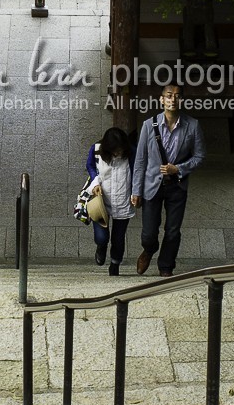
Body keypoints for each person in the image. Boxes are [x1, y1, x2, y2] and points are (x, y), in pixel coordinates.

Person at [130, 83, 205, 277]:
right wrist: (136, 190)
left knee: (173, 230)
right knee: (148, 234)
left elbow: (199, 157)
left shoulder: (193, 125)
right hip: (151, 185)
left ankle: (166, 266)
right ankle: (149, 250)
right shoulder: (148, 125)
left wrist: (178, 168)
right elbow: (140, 160)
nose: (173, 99)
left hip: (177, 186)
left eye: (177, 96)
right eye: (169, 96)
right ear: (162, 99)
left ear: (182, 100)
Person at [81, 127, 135, 275]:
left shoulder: (131, 152)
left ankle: (115, 264)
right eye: (115, 150)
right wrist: (95, 183)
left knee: (118, 238)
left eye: (120, 150)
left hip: (123, 200)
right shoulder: (97, 149)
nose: (118, 153)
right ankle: (101, 246)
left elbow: (138, 171)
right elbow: (90, 166)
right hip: (101, 200)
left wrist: (137, 192)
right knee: (101, 237)